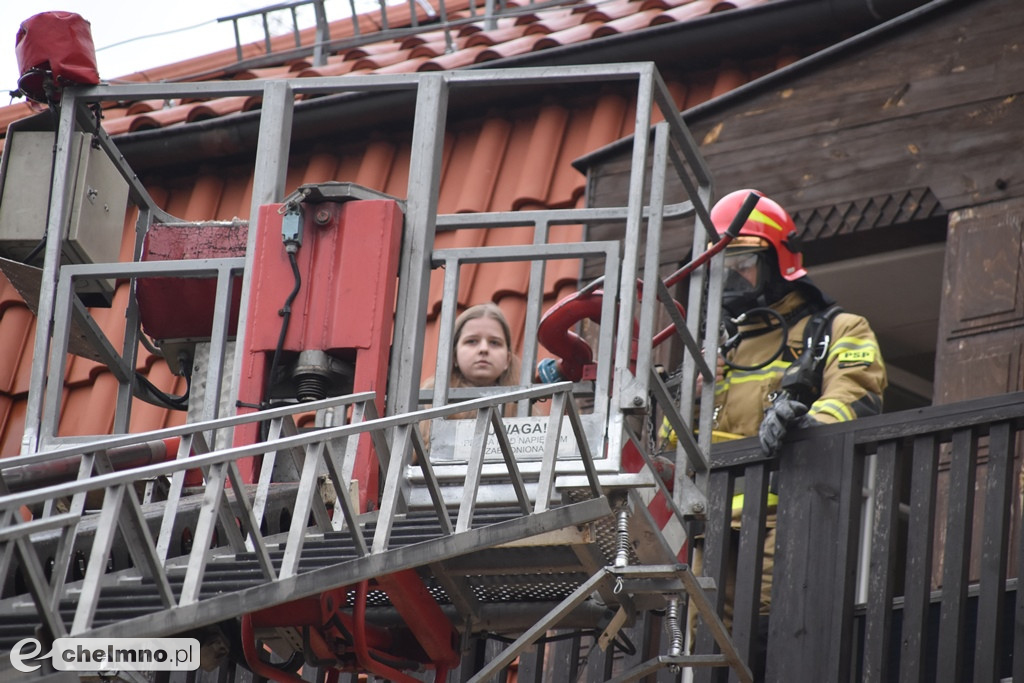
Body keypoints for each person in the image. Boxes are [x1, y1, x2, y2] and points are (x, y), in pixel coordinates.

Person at [685, 189, 887, 678]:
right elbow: (677, 445)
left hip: (792, 520)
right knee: (709, 658)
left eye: (744, 262)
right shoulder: (711, 352)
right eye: (720, 267)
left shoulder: (836, 329)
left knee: (777, 646)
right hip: (708, 536)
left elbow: (857, 396)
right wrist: (685, 398)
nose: (733, 277)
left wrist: (807, 421)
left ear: (778, 260)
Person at [418, 303, 523, 454]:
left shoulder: (525, 408)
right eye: (472, 341)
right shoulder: (425, 405)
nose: (484, 349)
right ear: (454, 355)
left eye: (494, 342)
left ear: (507, 359)